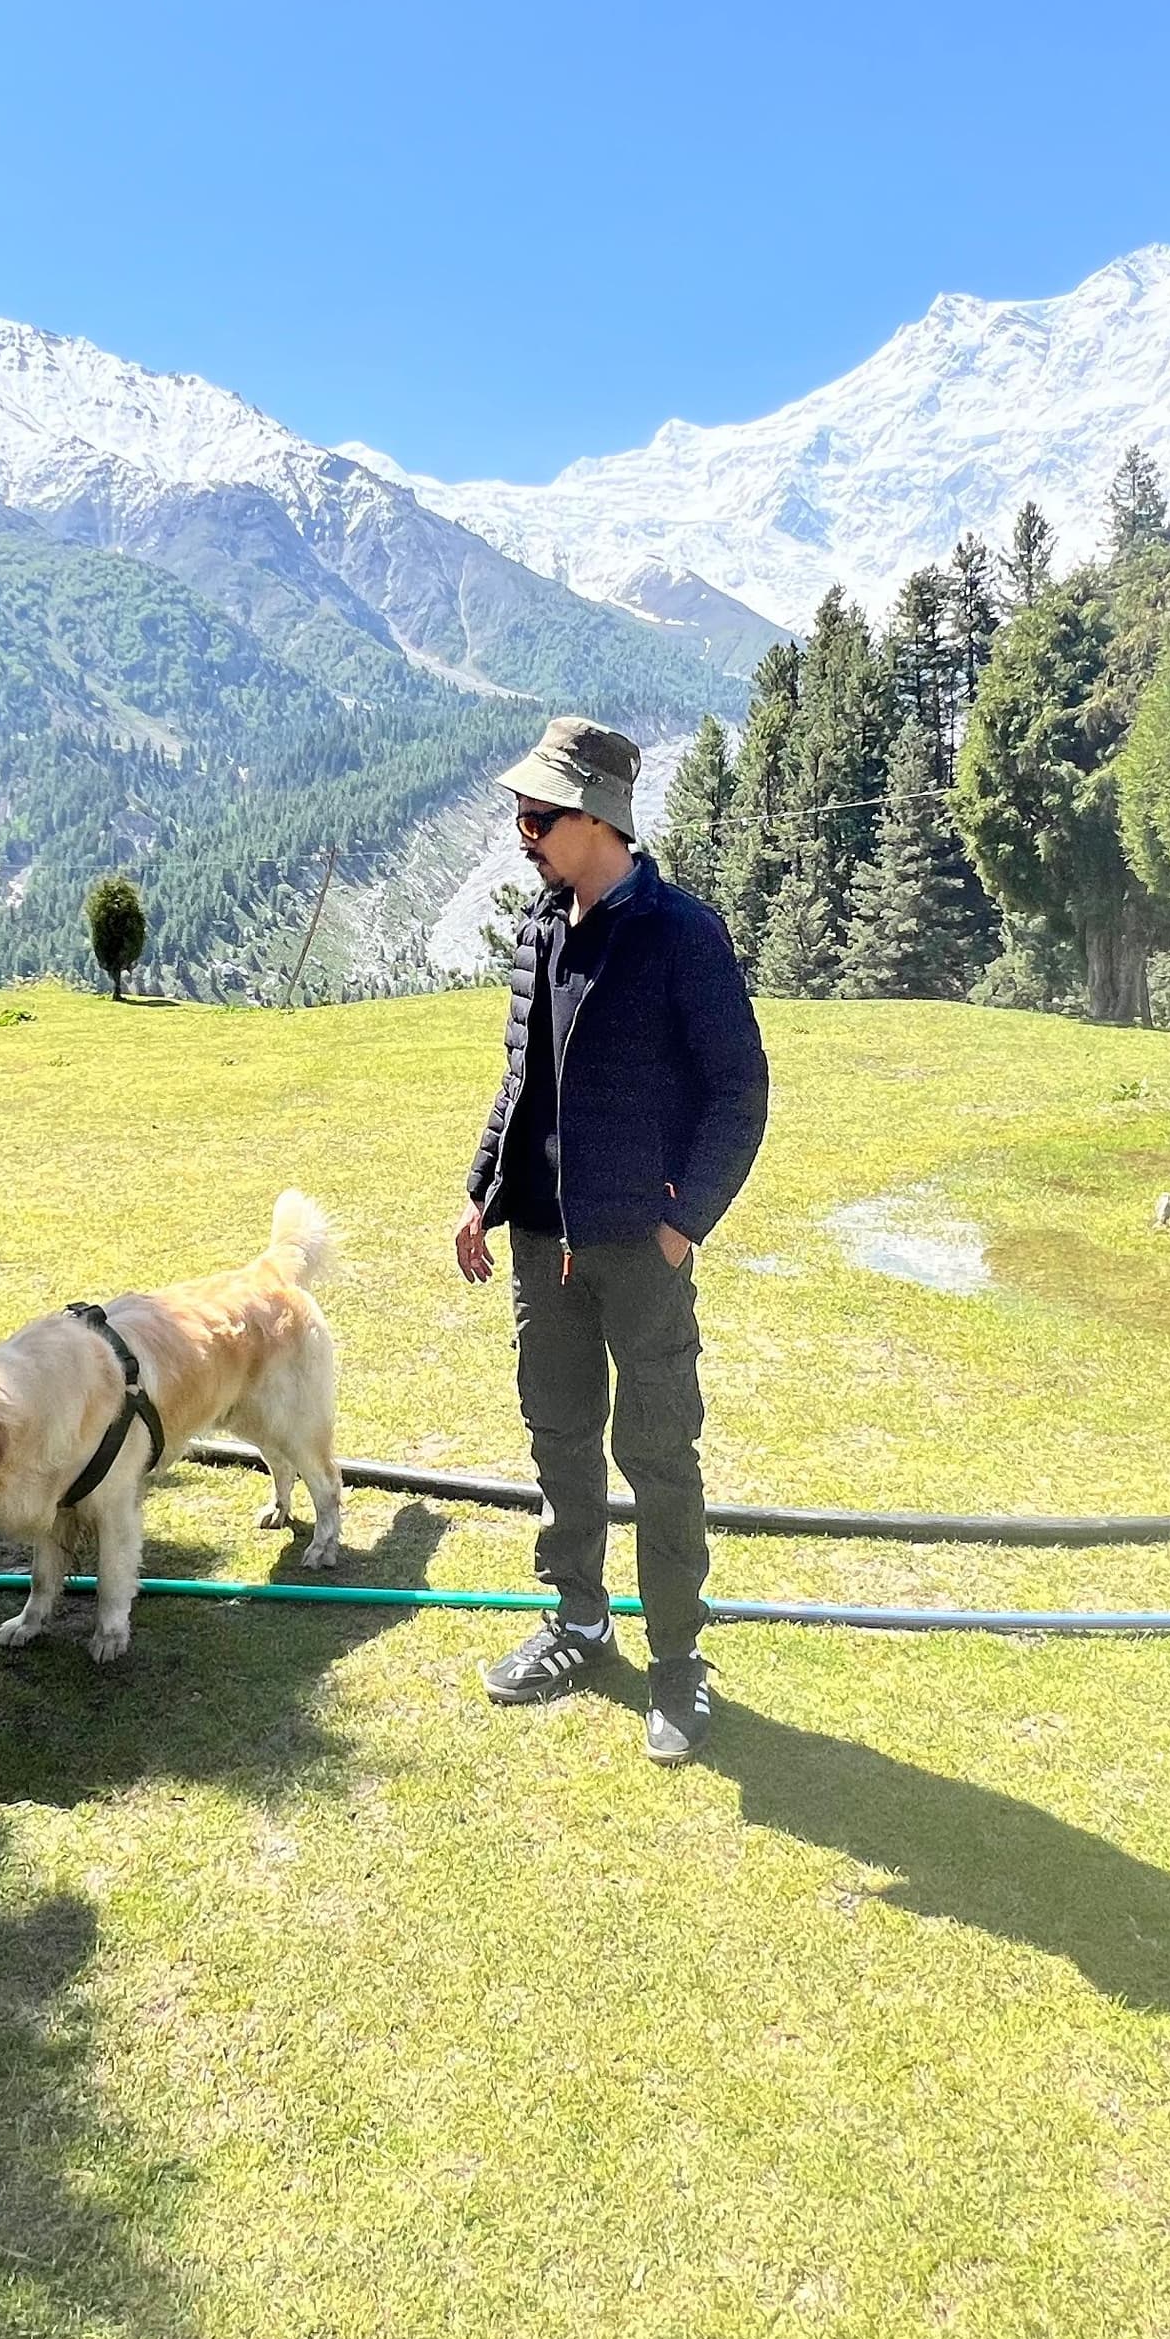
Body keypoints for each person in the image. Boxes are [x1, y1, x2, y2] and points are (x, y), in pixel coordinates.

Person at [454, 715, 769, 1763]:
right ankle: (578, 1622)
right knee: (560, 1436)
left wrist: (683, 1225)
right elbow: (520, 1080)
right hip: (545, 1247)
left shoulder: (683, 934)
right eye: (519, 815)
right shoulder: (544, 926)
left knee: (659, 1451)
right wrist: (481, 1195)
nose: (522, 833)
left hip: (643, 1249)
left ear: (597, 819)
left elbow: (739, 1093)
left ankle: (677, 1662)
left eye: (536, 816)